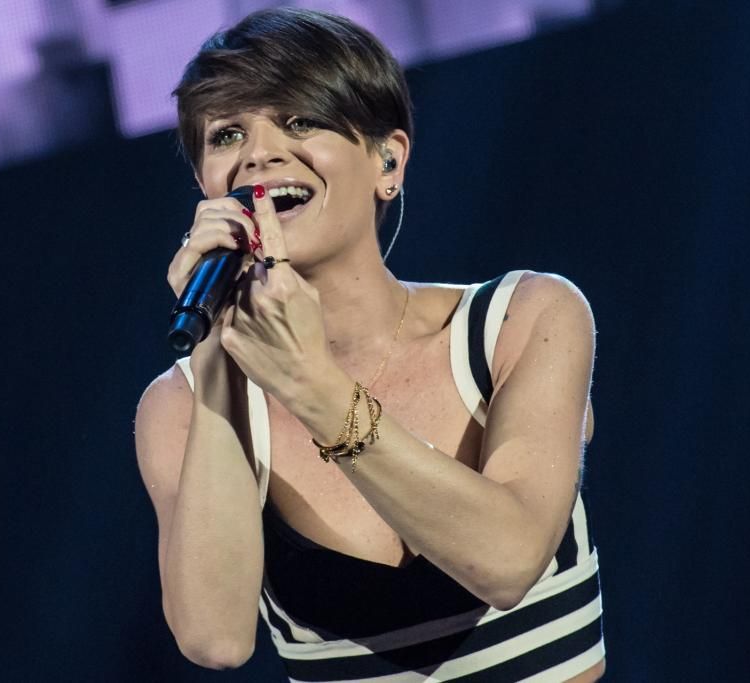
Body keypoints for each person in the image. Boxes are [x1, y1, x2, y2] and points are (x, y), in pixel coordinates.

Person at [135, 8, 605, 681]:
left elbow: (507, 562)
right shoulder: (181, 405)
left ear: (388, 160)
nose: (260, 153)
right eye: (228, 134)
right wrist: (217, 359)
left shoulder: (523, 319)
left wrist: (315, 389)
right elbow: (216, 638)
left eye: (300, 121)